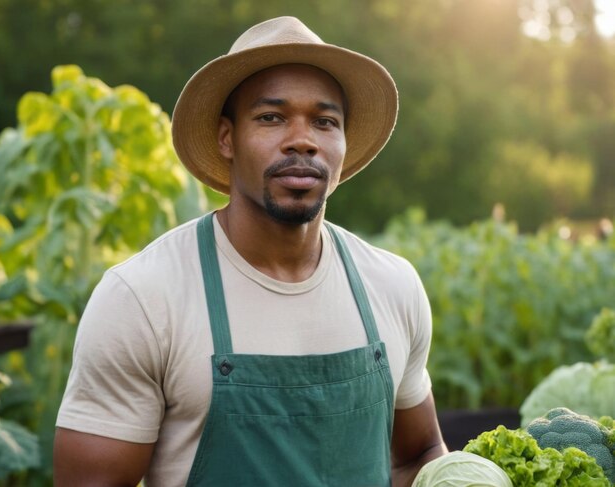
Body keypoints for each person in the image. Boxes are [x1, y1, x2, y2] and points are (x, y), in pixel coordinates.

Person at [53, 16, 448, 487]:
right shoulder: (143, 297)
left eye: (325, 122)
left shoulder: (392, 286)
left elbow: (417, 456)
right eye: (271, 117)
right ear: (226, 138)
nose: (303, 139)